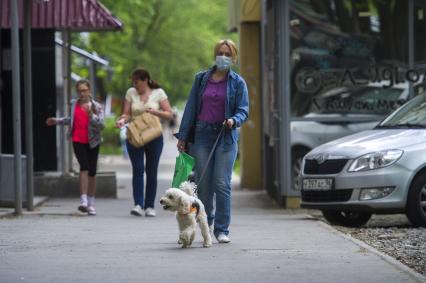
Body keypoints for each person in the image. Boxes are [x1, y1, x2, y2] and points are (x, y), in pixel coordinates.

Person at [175, 39, 249, 243]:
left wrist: (235, 120)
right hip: (201, 135)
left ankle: (222, 230)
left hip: (225, 136)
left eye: (228, 54)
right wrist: (183, 136)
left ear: (233, 58)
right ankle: (207, 223)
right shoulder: (201, 79)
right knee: (204, 185)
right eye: (220, 53)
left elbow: (244, 109)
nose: (223, 57)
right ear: (215, 55)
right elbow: (191, 107)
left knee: (222, 183)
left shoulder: (238, 82)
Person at [116, 68, 173, 217]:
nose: (134, 85)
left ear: (145, 80)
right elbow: (127, 114)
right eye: (133, 82)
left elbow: (169, 114)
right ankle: (138, 205)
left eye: (137, 82)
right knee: (138, 169)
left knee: (151, 170)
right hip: (135, 135)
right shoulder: (131, 93)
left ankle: (149, 206)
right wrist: (122, 120)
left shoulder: (158, 93)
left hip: (154, 136)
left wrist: (155, 112)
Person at [46, 79, 105, 215]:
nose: (82, 93)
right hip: (77, 139)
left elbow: (102, 125)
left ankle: (91, 202)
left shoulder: (97, 106)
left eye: (84, 90)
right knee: (84, 167)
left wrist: (92, 115)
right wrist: (57, 121)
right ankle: (83, 200)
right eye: (79, 91)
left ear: (89, 91)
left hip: (93, 141)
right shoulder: (73, 104)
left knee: (92, 171)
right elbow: (70, 120)